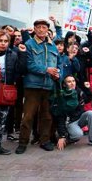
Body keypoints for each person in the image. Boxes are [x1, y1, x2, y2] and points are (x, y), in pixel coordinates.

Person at [16, 19, 61, 154]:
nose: (41, 30)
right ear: (34, 29)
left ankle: (45, 140)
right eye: (38, 27)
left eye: (44, 27)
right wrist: (46, 69)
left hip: (48, 86)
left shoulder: (53, 45)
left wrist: (58, 73)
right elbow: (29, 65)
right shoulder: (29, 44)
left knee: (46, 116)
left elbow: (58, 65)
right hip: (32, 85)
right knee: (28, 116)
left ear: (48, 30)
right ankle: (23, 142)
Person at [0, 31, 26, 155]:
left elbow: (21, 71)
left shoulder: (12, 55)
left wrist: (23, 54)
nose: (3, 44)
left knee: (1, 122)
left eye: (5, 41)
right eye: (0, 40)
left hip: (5, 93)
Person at [55, 75, 92, 150]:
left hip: (79, 118)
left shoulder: (78, 91)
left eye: (73, 81)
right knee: (78, 135)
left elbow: (87, 99)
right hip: (70, 122)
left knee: (91, 113)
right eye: (69, 82)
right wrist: (62, 136)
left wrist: (87, 88)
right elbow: (60, 117)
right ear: (64, 84)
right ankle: (68, 138)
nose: (72, 83)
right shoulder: (62, 96)